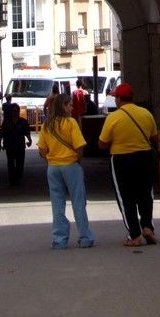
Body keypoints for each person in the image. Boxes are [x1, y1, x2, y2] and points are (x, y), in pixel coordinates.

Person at [98, 83, 159, 247]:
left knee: (126, 198)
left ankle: (135, 235)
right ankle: (147, 226)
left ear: (119, 99)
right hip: (145, 157)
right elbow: (154, 137)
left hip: (121, 160)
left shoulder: (113, 117)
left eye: (115, 97)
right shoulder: (146, 114)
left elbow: (102, 144)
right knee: (146, 194)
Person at [37, 92, 95, 249]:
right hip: (70, 165)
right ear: (63, 106)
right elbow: (79, 147)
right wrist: (77, 160)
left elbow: (42, 150)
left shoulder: (47, 124)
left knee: (57, 204)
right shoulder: (71, 123)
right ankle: (84, 237)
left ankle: (59, 240)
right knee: (78, 202)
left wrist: (51, 158)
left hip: (53, 168)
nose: (72, 107)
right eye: (69, 104)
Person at [0, 102, 32, 185]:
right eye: (13, 110)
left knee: (20, 164)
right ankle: (12, 179)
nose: (15, 112)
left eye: (17, 110)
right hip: (9, 145)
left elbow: (27, 132)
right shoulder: (6, 122)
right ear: (11, 112)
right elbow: (1, 133)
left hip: (20, 145)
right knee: (10, 163)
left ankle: (18, 177)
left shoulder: (23, 122)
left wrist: (30, 140)